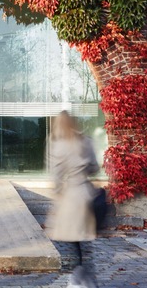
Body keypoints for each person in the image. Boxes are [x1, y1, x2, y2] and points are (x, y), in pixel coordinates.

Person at [46, 111, 99, 281]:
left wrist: (56, 192)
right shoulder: (85, 141)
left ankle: (79, 274)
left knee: (70, 237)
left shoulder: (58, 145)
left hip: (70, 195)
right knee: (84, 238)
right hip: (86, 193)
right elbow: (94, 168)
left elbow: (56, 175)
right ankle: (87, 273)